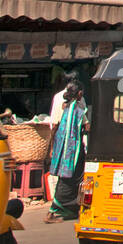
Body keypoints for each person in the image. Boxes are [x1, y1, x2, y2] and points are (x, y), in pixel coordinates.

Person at [44, 81, 88, 223]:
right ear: (79, 93)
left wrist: (51, 149)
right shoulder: (78, 109)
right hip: (73, 151)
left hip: (62, 149)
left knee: (68, 178)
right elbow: (87, 126)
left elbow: (55, 127)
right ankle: (53, 211)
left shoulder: (65, 107)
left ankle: (70, 209)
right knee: (69, 179)